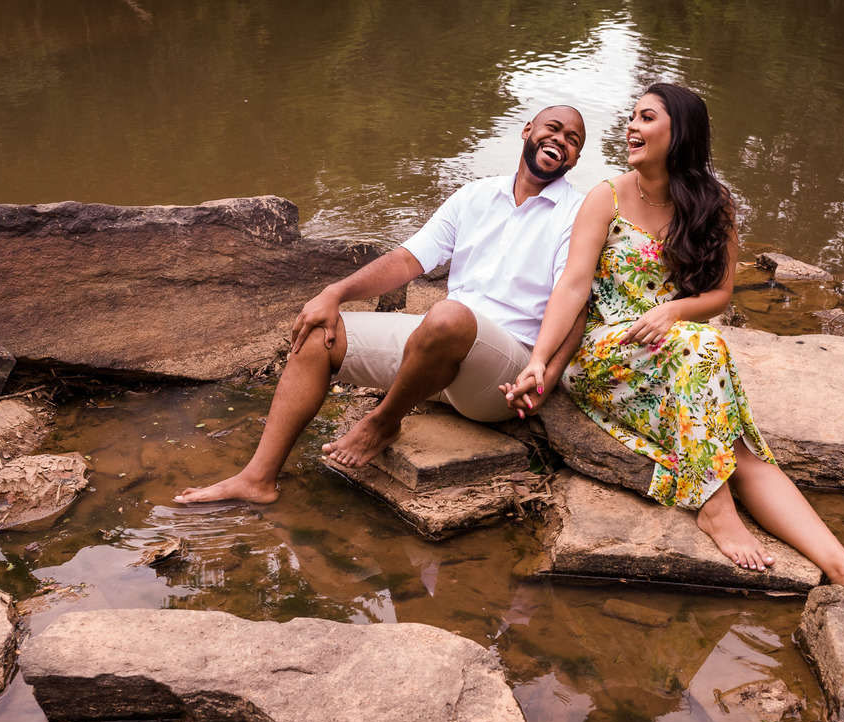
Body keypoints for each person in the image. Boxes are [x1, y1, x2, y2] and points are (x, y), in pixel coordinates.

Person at [503, 84, 844, 599]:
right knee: (704, 352)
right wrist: (539, 360)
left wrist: (673, 310)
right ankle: (715, 507)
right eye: (633, 117)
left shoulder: (715, 203)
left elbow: (720, 294)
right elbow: (573, 286)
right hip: (606, 355)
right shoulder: (607, 196)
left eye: (646, 118)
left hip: (679, 349)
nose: (631, 127)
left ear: (680, 132)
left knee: (740, 449)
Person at [175, 105, 590, 505]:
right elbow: (408, 260)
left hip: (502, 375)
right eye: (553, 128)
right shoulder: (476, 195)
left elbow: (578, 302)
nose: (560, 140)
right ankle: (257, 479)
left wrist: (547, 377)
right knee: (319, 334)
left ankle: (383, 423)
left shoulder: (577, 214)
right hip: (438, 357)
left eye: (573, 140)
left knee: (447, 316)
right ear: (527, 129)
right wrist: (334, 293)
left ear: (574, 160)